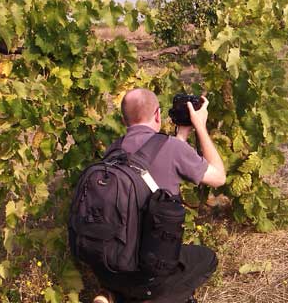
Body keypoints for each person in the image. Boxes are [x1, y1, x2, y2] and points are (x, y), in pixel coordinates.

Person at [92, 88, 226, 303]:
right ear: (157, 115)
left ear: (124, 119)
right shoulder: (172, 149)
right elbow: (218, 177)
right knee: (206, 259)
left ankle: (112, 294)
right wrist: (200, 126)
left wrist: (181, 136)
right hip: (149, 266)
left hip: (111, 262)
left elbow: (154, 162)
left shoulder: (113, 150)